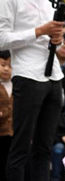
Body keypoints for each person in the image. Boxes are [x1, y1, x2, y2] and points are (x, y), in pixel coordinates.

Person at [0, 0, 65, 181]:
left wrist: (60, 42)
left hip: (54, 75)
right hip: (27, 76)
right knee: (20, 148)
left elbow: (53, 38)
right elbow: (2, 39)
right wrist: (40, 31)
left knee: (44, 149)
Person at [0, 51, 13, 181]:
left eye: (10, 65)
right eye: (3, 64)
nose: (6, 68)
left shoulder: (18, 86)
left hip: (14, 133)